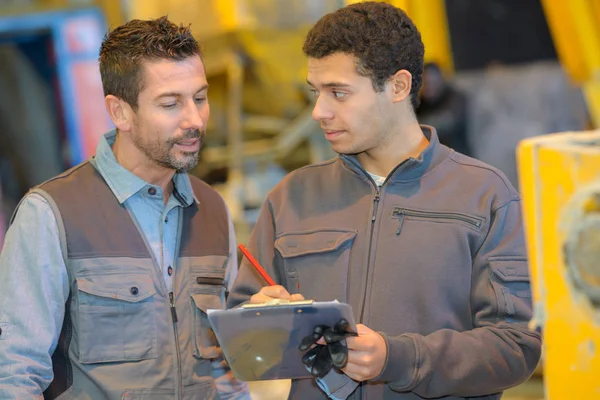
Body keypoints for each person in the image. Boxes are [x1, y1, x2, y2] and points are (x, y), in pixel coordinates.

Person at [227, 2, 541, 399]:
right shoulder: (291, 198)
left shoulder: (485, 196)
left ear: (398, 86)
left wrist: (398, 358)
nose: (319, 111)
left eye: (338, 93)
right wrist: (259, 318)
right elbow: (241, 341)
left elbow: (515, 347)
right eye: (315, 92)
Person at [0, 16, 250, 399]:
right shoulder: (52, 213)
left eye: (200, 98)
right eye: (171, 104)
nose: (195, 120)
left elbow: (226, 372)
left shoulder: (212, 209)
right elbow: (16, 374)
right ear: (120, 112)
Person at [417, 62, 471, 156]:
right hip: (435, 160)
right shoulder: (421, 102)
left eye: (433, 82)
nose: (429, 87)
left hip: (459, 158)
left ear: (441, 80)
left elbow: (446, 122)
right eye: (426, 83)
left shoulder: (456, 98)